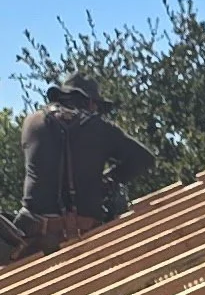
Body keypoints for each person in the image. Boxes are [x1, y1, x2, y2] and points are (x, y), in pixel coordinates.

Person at [12, 78, 158, 252]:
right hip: (86, 236)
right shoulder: (100, 128)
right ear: (89, 102)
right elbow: (144, 158)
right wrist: (110, 179)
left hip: (33, 239)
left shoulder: (32, 122)